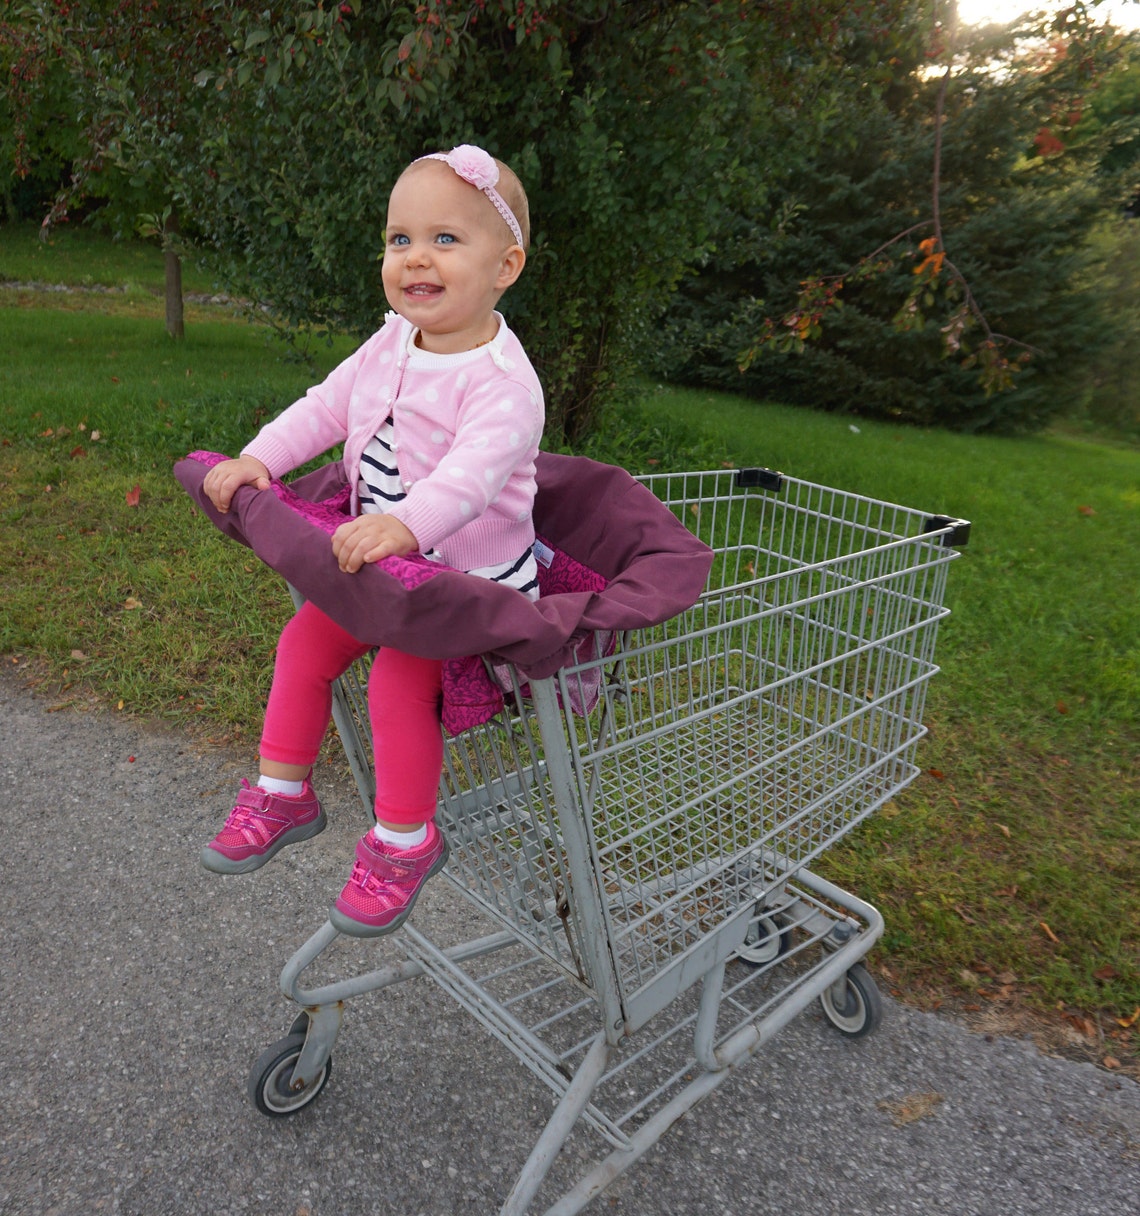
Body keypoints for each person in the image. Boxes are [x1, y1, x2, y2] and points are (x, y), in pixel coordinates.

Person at [198, 144, 543, 938]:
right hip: (384, 566)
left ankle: (405, 841)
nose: (417, 256)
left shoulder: (503, 382)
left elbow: (472, 475)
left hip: (462, 584)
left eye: (446, 240)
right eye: (400, 239)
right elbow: (326, 406)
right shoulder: (391, 343)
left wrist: (406, 523)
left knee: (396, 681)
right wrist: (259, 459)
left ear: (506, 266)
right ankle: (284, 790)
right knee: (304, 643)